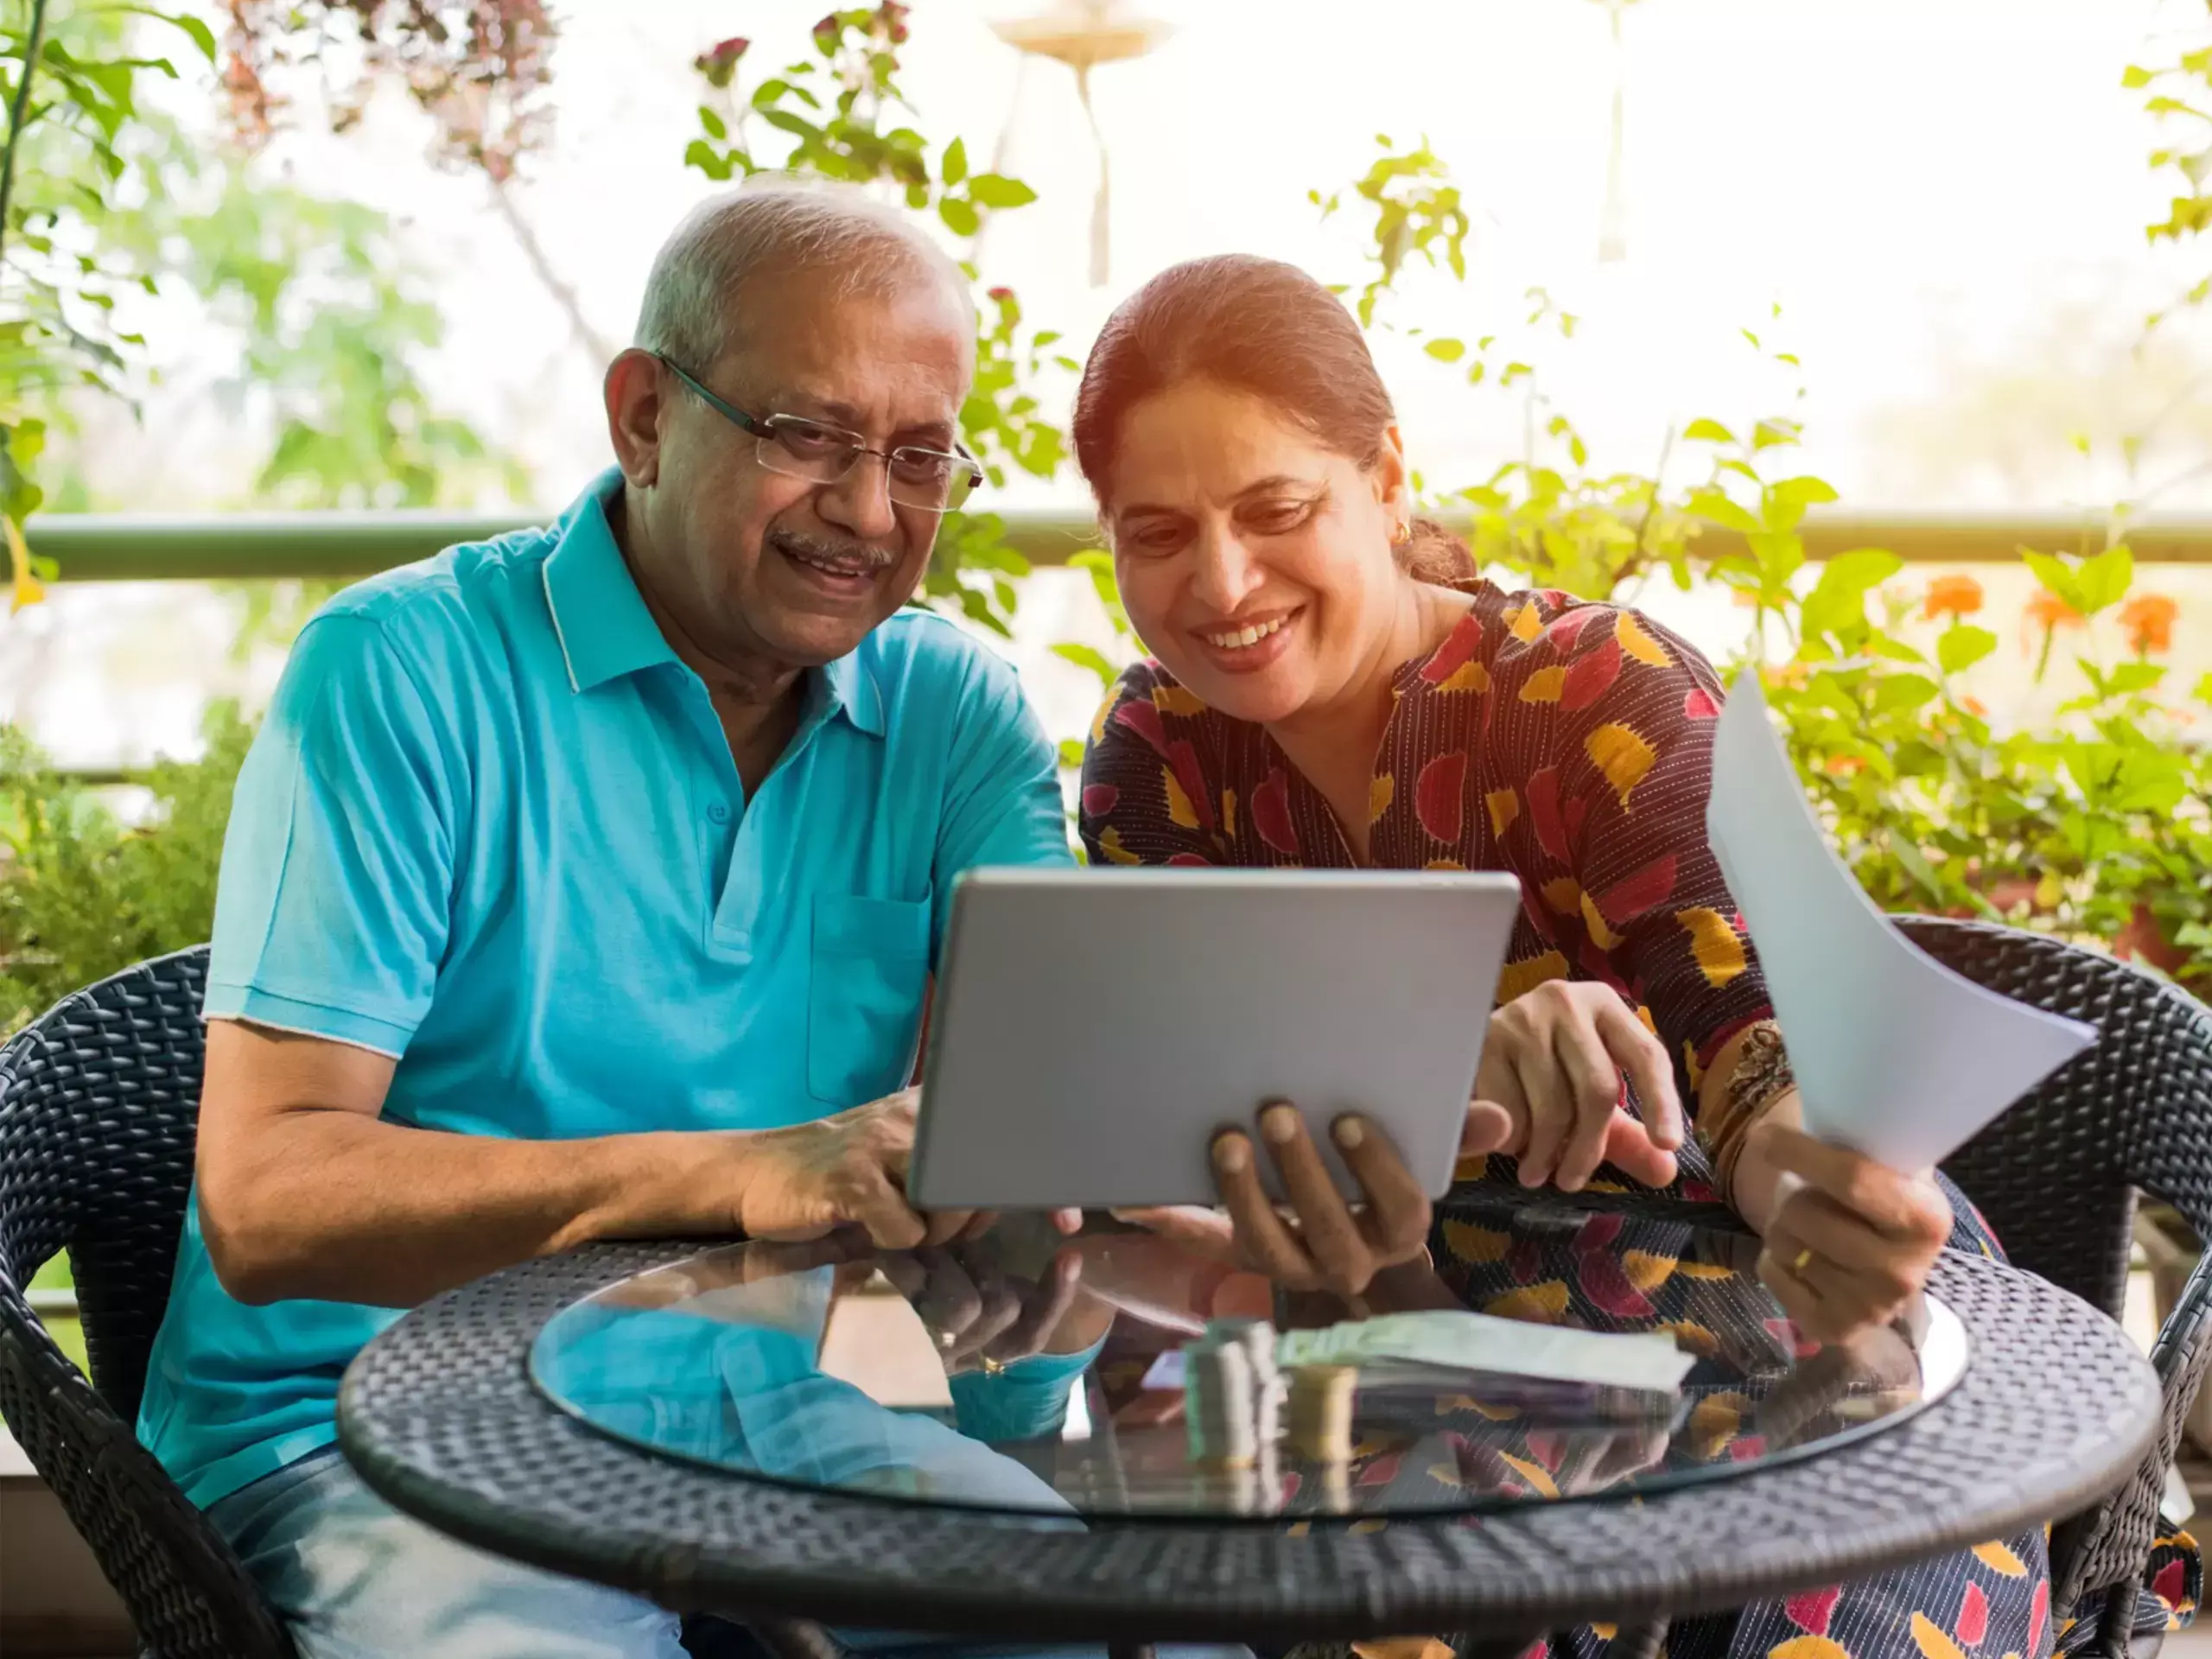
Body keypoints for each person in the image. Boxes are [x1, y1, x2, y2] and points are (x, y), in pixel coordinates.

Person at [1071, 254, 2197, 1655]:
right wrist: (1429, 1068)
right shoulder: (1161, 754)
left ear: (1388, 478)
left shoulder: (1596, 693)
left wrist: (1828, 1189)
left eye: (1277, 510)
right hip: (1417, 1343)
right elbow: (1190, 1115)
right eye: (1157, 532)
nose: (1222, 581)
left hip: (1777, 1310)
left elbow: (1757, 1066)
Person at [141, 179, 1109, 1659]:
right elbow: (269, 1200)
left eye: (919, 456)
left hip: (768, 1400)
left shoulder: (954, 713)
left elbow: (1046, 1122)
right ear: (645, 418)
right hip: (366, 1419)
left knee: (1115, 1633)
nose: (869, 512)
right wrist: (744, 1171)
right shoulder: (400, 671)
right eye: (806, 435)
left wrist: (1123, 1202)